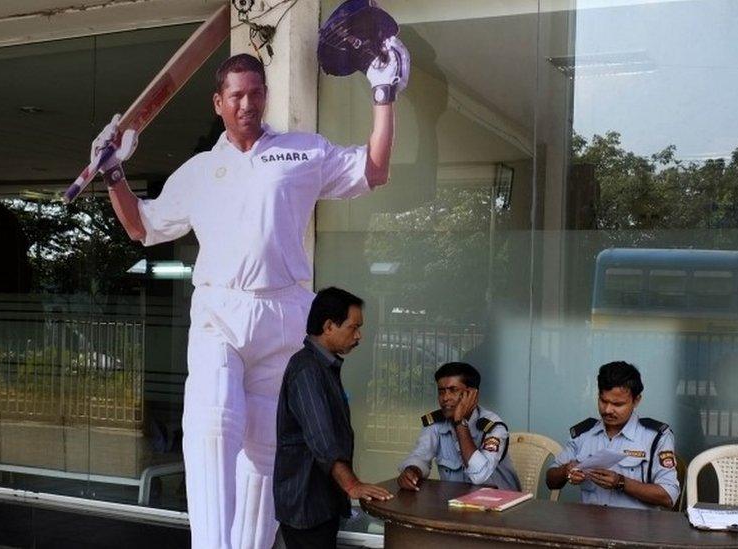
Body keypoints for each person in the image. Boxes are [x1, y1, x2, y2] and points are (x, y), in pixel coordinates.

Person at [92, 39, 409, 548]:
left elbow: (374, 169)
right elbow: (140, 227)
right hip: (221, 308)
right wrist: (112, 174)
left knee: (267, 449)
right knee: (214, 423)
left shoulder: (301, 151)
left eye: (256, 93)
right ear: (218, 103)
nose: (248, 104)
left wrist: (383, 93)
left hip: (284, 312)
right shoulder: (197, 172)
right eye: (236, 95)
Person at [274, 287, 392, 549]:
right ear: (328, 326)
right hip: (306, 504)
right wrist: (352, 485)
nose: (359, 335)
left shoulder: (323, 366)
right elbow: (322, 439)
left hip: (321, 501)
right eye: (353, 327)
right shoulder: (307, 369)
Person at [545, 361, 680, 509]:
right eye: (603, 401)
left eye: (618, 404)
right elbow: (551, 481)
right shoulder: (583, 434)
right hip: (588, 527)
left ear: (636, 401)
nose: (608, 410)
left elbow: (669, 495)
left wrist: (621, 482)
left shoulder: (656, 437)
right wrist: (566, 471)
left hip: (636, 528)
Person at [397, 362, 521, 492]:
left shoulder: (493, 428)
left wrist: (460, 422)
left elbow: (480, 475)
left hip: (500, 504)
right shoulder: (436, 424)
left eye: (453, 390)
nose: (445, 398)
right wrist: (411, 471)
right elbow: (420, 456)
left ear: (472, 394)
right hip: (458, 503)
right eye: (441, 392)